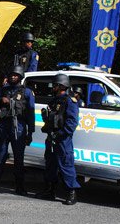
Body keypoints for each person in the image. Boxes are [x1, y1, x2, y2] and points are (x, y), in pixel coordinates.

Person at [0, 65, 35, 195]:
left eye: (16, 75)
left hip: (19, 126)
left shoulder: (27, 92)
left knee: (19, 159)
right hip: (3, 126)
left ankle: (20, 187)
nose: (13, 76)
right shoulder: (3, 90)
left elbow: (31, 113)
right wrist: (1, 101)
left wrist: (30, 132)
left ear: (20, 77)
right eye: (12, 74)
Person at [36, 73, 81, 205]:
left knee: (66, 165)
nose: (52, 87)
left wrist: (60, 134)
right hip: (51, 138)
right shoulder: (53, 101)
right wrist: (46, 121)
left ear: (61, 85)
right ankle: (50, 190)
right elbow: (52, 120)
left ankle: (71, 193)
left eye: (54, 85)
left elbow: (72, 123)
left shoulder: (70, 102)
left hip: (63, 140)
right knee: (50, 164)